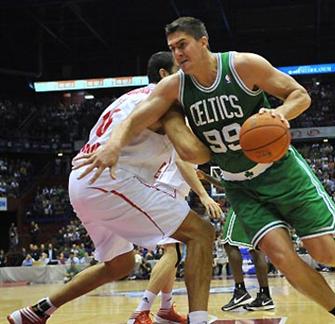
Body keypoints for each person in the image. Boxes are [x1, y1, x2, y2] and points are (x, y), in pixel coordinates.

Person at [75, 17, 335, 324]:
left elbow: (299, 95)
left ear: (203, 42)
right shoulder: (175, 87)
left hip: (281, 172)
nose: (178, 52)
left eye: (183, 44)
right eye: (173, 47)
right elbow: (135, 118)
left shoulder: (243, 65)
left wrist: (280, 116)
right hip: (240, 187)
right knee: (284, 260)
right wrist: (114, 144)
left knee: (324, 251)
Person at [7, 51, 215, 324]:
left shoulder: (128, 97)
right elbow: (190, 153)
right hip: (110, 181)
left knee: (121, 264)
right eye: (181, 67)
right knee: (201, 233)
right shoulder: (164, 101)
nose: (189, 72)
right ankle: (198, 320)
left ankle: (36, 311)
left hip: (83, 180)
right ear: (165, 75)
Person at [129, 144, 222, 324]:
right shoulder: (187, 129)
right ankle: (141, 311)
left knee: (173, 251)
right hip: (167, 189)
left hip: (168, 189)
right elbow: (181, 162)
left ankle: (165, 308)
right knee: (173, 253)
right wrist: (203, 195)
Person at [196, 169, 274, 311]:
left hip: (243, 202)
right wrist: (207, 177)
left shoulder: (235, 159)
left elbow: (225, 184)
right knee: (256, 248)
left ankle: (240, 292)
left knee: (228, 242)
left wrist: (207, 177)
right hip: (261, 204)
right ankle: (265, 296)